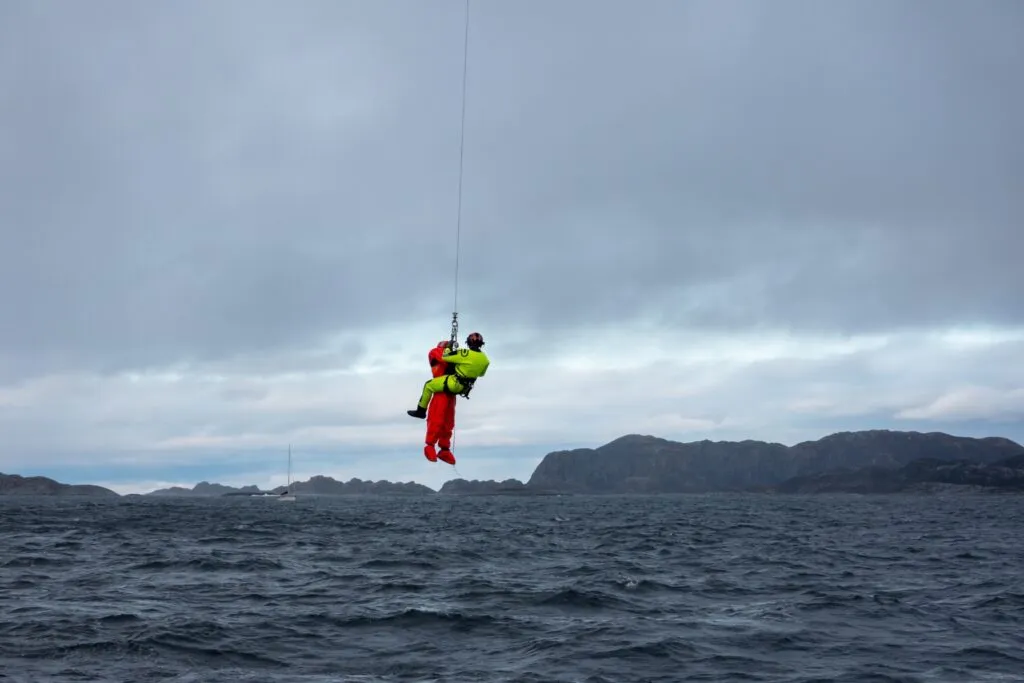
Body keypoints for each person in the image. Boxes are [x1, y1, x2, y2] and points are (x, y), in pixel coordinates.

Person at [407, 333, 489, 449]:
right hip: (464, 388)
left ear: (468, 342)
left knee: (428, 385)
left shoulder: (464, 353)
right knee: (448, 419)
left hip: (453, 383)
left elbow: (445, 356)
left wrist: (448, 347)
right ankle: (444, 447)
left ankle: (420, 411)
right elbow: (481, 374)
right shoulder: (485, 359)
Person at [423, 340, 457, 465]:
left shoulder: (451, 355)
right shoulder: (435, 352)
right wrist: (451, 350)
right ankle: (430, 445)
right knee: (436, 418)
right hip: (440, 388)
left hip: (450, 390)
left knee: (449, 422)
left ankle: (444, 449)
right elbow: (443, 358)